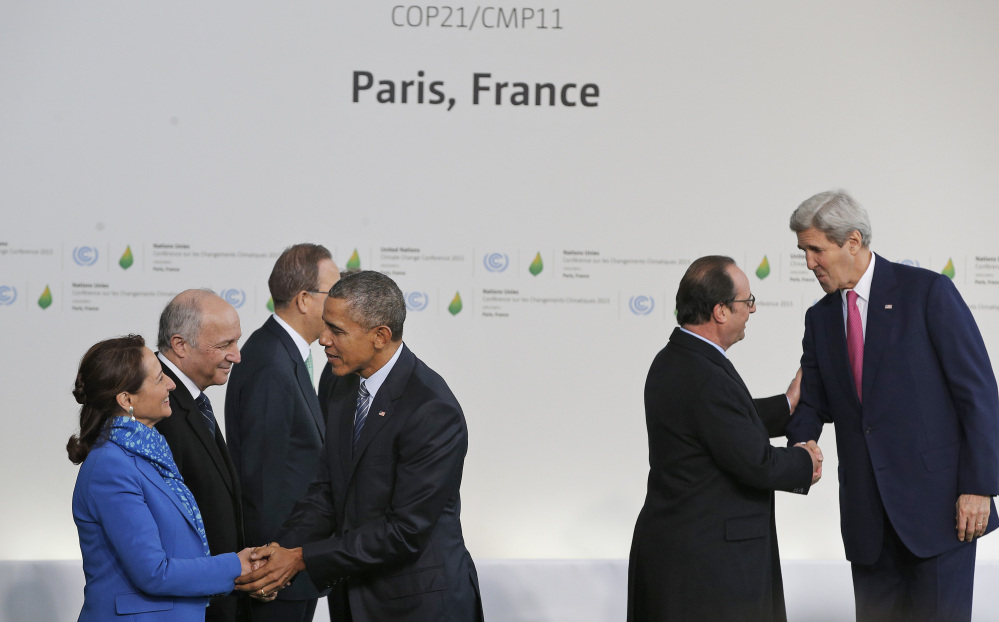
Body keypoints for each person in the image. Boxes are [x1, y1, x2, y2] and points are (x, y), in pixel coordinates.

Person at [787, 189, 999, 622]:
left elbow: (977, 394)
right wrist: (799, 445)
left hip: (940, 516)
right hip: (868, 524)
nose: (809, 263)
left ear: (852, 241)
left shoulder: (927, 293)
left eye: (815, 249)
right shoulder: (821, 317)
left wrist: (979, 486)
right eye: (803, 251)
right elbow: (812, 401)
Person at [234, 270, 484, 622]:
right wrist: (280, 551)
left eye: (336, 330)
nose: (323, 340)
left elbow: (404, 532)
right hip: (353, 599)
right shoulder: (341, 384)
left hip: (419, 605)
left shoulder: (431, 409)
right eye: (324, 325)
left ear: (380, 336)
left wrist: (302, 557)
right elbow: (325, 490)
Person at [627, 255, 821, 622]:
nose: (752, 310)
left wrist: (787, 405)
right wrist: (804, 462)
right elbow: (755, 463)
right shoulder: (706, 376)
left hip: (685, 555)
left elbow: (721, 424)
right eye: (747, 302)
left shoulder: (676, 359)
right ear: (720, 311)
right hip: (710, 568)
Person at [68, 335, 254, 621]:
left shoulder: (149, 452)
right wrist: (235, 566)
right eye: (158, 379)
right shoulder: (111, 467)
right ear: (126, 400)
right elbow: (153, 572)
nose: (171, 383)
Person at [225, 244, 340, 622]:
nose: (341, 303)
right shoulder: (271, 362)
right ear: (305, 299)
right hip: (276, 572)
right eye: (333, 292)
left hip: (291, 564)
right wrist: (271, 568)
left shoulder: (288, 354)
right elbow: (261, 481)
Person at [155, 289, 247, 622]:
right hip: (185, 604)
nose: (236, 356)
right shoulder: (155, 405)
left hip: (214, 594)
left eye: (236, 342)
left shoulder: (192, 398)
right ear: (180, 345)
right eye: (225, 345)